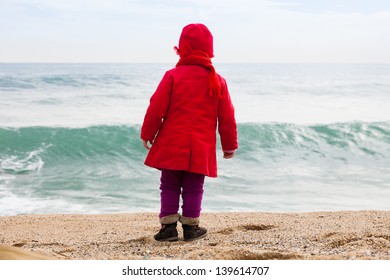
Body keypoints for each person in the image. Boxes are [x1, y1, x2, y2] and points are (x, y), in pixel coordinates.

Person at [140, 23, 238, 242]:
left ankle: (168, 229)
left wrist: (148, 132)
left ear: (181, 48)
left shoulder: (173, 76)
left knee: (169, 184)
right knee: (194, 187)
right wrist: (229, 145)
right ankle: (191, 228)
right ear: (209, 50)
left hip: (171, 142)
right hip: (201, 145)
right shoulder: (217, 80)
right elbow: (227, 116)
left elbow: (156, 107)